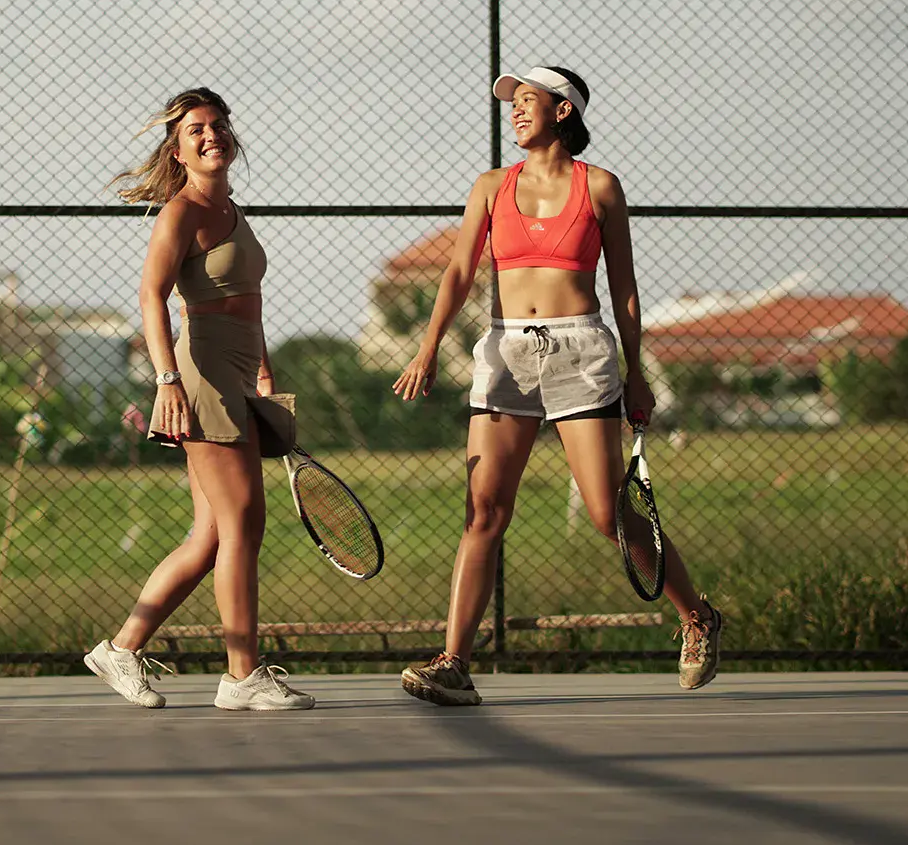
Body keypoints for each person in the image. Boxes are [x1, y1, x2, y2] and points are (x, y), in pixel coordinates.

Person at [392, 66, 723, 705]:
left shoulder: (600, 187)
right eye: (511, 104)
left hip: (582, 351)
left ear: (563, 110)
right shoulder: (490, 186)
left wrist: (637, 375)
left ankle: (696, 617)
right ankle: (455, 662)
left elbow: (623, 288)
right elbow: (460, 269)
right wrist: (428, 347)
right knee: (483, 510)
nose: (515, 112)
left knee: (605, 513)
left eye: (527, 102)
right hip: (505, 349)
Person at [83, 87, 313, 711]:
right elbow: (151, 297)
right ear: (178, 149)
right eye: (195, 130)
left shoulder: (233, 210)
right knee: (243, 525)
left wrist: (264, 378)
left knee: (210, 537)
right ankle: (241, 677)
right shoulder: (179, 214)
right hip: (201, 376)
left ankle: (121, 649)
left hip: (237, 379)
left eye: (217, 125)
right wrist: (167, 382)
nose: (210, 136)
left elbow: (250, 306)